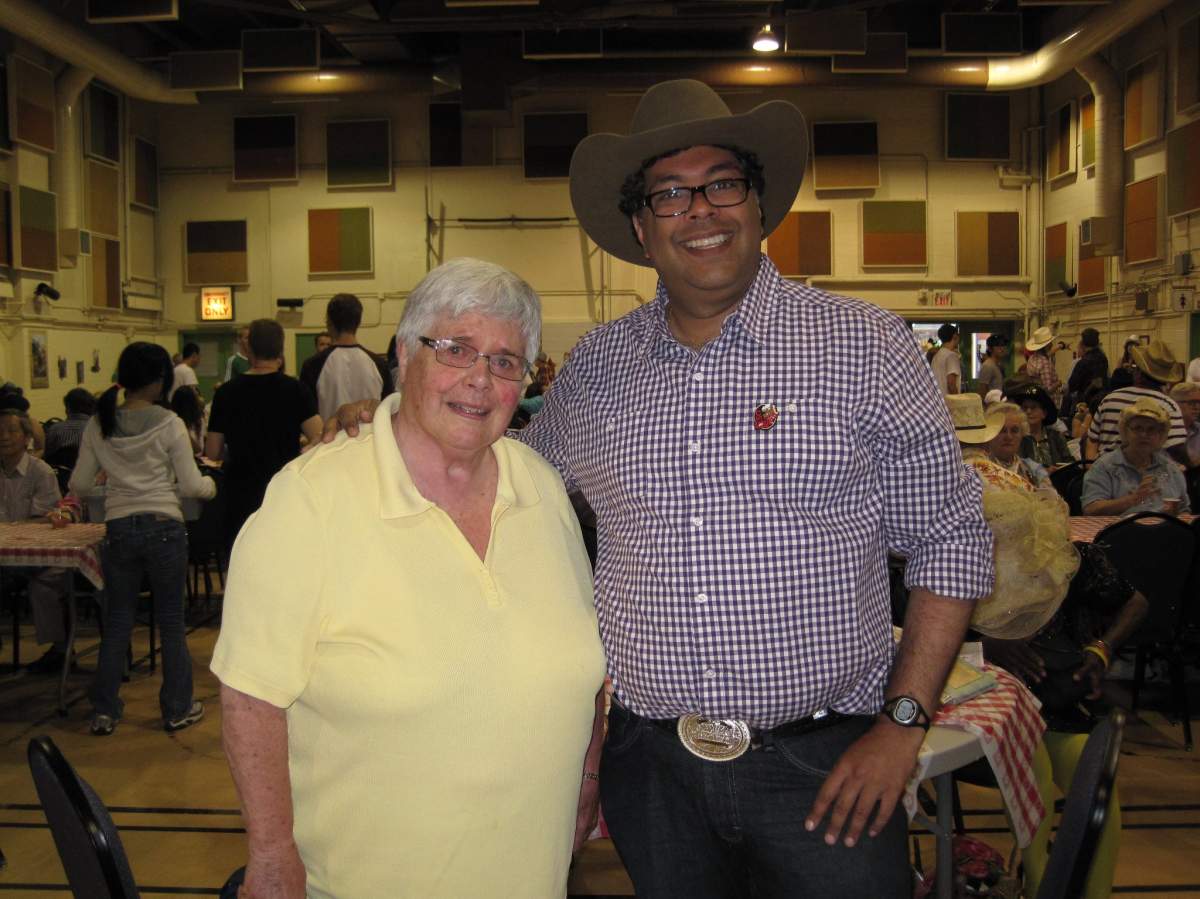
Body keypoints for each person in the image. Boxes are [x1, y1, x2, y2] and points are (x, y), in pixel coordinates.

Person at [328, 79, 994, 895]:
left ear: (758, 206)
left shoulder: (864, 348)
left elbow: (952, 537)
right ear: (642, 229)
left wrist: (900, 726)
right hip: (653, 772)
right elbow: (500, 473)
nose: (701, 210)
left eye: (722, 184)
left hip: (826, 766)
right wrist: (390, 425)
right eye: (670, 194)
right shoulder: (600, 369)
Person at [212, 259, 606, 898]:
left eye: (506, 361)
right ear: (403, 353)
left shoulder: (542, 486)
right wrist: (271, 853)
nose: (479, 379)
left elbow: (585, 667)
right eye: (455, 350)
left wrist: (588, 779)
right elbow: (251, 696)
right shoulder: (312, 500)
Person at [969, 467, 1144, 899]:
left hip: (1059, 705)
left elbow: (1136, 602)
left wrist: (1102, 648)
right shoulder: (952, 566)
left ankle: (1092, 892)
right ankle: (1045, 884)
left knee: (1097, 788)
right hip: (988, 718)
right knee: (1035, 778)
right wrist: (983, 645)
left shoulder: (1068, 558)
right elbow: (909, 633)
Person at [70, 342, 216, 737]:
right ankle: (177, 708)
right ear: (159, 381)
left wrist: (114, 491)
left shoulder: (99, 422)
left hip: (118, 530)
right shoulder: (169, 423)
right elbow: (189, 484)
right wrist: (210, 487)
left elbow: (80, 484)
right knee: (170, 622)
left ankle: (104, 710)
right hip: (164, 529)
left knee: (117, 622)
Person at [205, 319, 322, 557]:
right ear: (281, 348)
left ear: (248, 348)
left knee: (244, 561)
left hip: (241, 492)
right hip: (283, 490)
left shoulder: (226, 393)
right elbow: (320, 437)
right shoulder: (295, 389)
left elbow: (212, 451)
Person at [0, 398, 71, 673]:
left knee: (45, 582)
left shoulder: (39, 472)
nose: (4, 437)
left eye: (11, 430)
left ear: (27, 437)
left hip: (35, 554)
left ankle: (59, 649)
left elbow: (48, 518)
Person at [1081, 398, 1190, 516]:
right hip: (1120, 532)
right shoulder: (1105, 466)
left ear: (1161, 435)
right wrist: (1133, 499)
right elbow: (1090, 509)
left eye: (1151, 430)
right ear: (1125, 431)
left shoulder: (1170, 468)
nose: (1144, 435)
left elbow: (1184, 510)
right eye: (1137, 428)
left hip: (1165, 532)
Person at [1084, 339, 1187, 460]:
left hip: (1103, 472)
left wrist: (1092, 469)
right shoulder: (1169, 406)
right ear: (1165, 379)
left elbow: (1091, 441)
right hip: (1148, 474)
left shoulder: (1110, 399)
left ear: (1137, 372)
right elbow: (1175, 452)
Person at [299, 294, 393, 421]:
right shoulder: (379, 364)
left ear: (329, 323)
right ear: (358, 322)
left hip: (330, 439)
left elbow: (307, 415)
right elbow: (389, 412)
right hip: (369, 439)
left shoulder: (312, 366)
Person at [974, 401, 1049, 487]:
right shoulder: (977, 469)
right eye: (1002, 431)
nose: (1008, 437)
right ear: (989, 434)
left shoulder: (1034, 469)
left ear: (1022, 434)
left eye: (1014, 431)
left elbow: (1052, 499)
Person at [1008, 382, 1074, 468]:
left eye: (1033, 407)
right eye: (1025, 407)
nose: (1028, 411)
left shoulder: (1056, 437)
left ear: (1044, 413)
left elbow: (1069, 462)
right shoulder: (1016, 438)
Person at [43, 388, 97, 471]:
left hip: (61, 479)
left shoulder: (54, 429)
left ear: (67, 408)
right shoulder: (98, 429)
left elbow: (47, 457)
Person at [1065, 327, 1108, 417]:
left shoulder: (1083, 362)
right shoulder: (1103, 359)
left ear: (1083, 343)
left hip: (1084, 405)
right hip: (1101, 402)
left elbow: (1072, 385)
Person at [1024, 326, 1063, 407]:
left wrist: (1059, 347)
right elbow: (1048, 389)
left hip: (1036, 400)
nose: (1052, 345)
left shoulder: (1032, 359)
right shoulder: (1044, 363)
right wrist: (1058, 383)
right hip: (1048, 404)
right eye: (1050, 343)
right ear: (1047, 346)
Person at [1169, 381, 1200, 469]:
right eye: (1192, 403)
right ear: (1175, 404)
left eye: (1199, 403)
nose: (1197, 407)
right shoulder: (1163, 431)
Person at [170, 385, 205, 455]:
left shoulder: (198, 421)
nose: (199, 399)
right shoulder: (171, 421)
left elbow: (199, 449)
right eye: (196, 397)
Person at [931, 323, 962, 395]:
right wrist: (957, 402)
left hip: (938, 401)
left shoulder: (936, 356)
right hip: (949, 403)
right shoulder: (951, 356)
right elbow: (951, 384)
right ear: (955, 336)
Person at [977, 333, 1008, 397]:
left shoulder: (998, 365)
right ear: (990, 349)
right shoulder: (988, 366)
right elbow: (982, 390)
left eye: (1003, 345)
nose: (1002, 348)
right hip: (991, 405)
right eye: (998, 345)